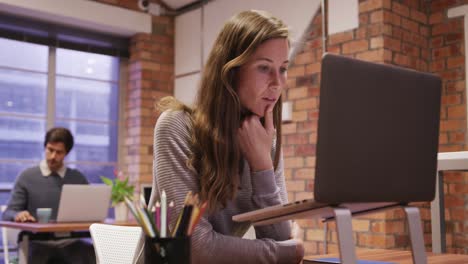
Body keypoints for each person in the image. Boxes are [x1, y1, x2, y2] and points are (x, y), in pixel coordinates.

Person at [148, 10, 304, 264]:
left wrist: (262, 165)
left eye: (283, 69)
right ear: (231, 71)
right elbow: (193, 247)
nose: (278, 82)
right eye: (264, 67)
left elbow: (279, 235)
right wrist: (288, 251)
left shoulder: (266, 142)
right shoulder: (176, 127)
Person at [2, 127, 95, 264]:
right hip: (38, 242)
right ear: (45, 147)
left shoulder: (77, 178)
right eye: (50, 150)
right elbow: (8, 213)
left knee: (92, 253)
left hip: (72, 241)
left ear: (66, 153)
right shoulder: (27, 177)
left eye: (59, 152)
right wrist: (18, 215)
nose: (53, 156)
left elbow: (90, 211)